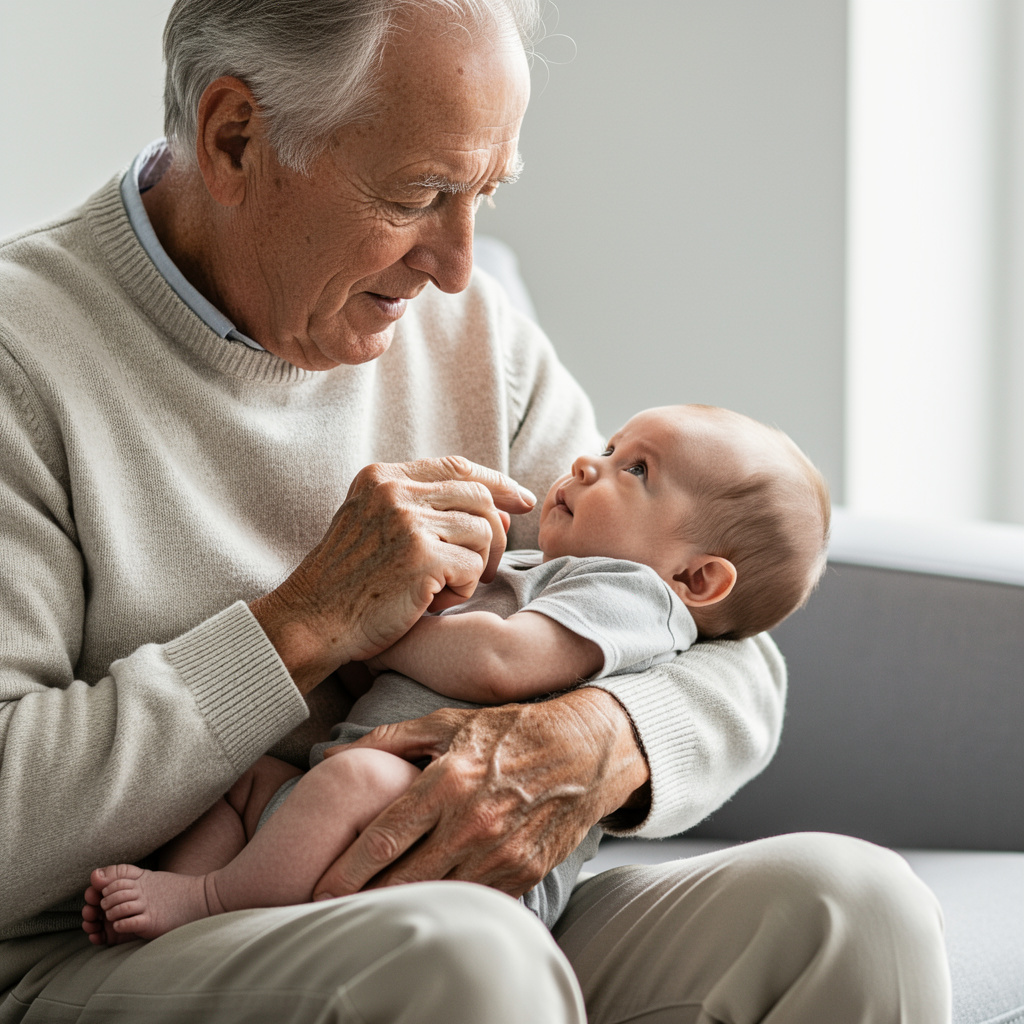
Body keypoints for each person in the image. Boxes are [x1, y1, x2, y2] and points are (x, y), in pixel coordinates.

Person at [0, 1, 951, 1021]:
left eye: (483, 195)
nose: (458, 267)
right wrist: (301, 627)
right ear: (235, 138)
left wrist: (603, 731)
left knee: (853, 908)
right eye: (421, 194)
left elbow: (721, 636)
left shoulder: (469, 335)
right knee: (469, 956)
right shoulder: (26, 360)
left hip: (467, 909)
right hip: (112, 948)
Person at [82, 403, 832, 943]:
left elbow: (502, 663)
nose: (586, 462)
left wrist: (380, 629)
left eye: (635, 469)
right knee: (241, 781)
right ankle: (192, 929)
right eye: (610, 446)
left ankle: (210, 902)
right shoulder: (549, 566)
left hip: (445, 845)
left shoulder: (632, 595)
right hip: (351, 806)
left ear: (696, 579)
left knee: (352, 779)